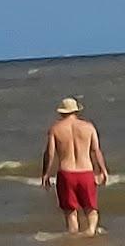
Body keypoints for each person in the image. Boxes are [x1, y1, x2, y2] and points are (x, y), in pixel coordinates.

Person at [41, 97, 108, 236]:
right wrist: (103, 170)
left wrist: (46, 174)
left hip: (66, 173)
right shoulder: (88, 127)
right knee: (91, 208)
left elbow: (50, 154)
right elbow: (96, 151)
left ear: (61, 112)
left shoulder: (56, 129)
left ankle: (74, 238)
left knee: (70, 212)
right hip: (86, 172)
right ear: (76, 111)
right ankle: (90, 232)